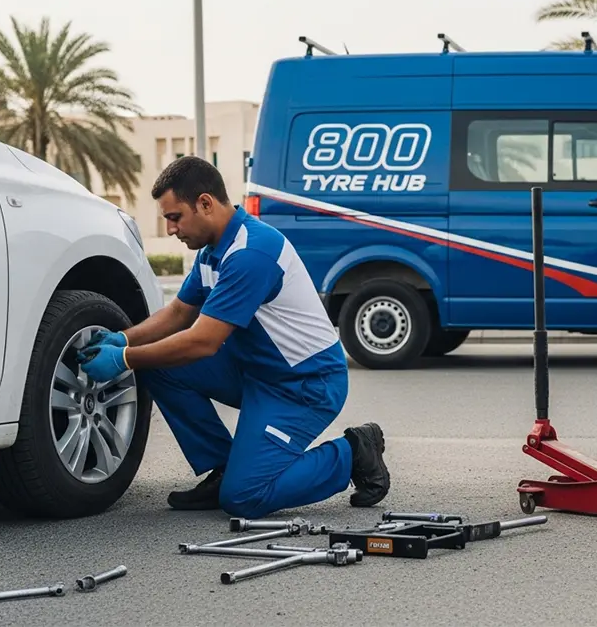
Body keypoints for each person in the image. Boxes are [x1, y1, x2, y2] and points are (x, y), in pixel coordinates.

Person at [76, 155, 390, 518]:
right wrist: (124, 339)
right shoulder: (212, 251)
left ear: (205, 203)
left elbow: (202, 341)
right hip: (254, 370)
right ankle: (223, 467)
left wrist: (124, 358)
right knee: (157, 364)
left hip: (303, 385)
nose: (171, 229)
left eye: (175, 217)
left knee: (245, 497)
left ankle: (353, 452)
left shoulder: (251, 253)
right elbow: (178, 313)